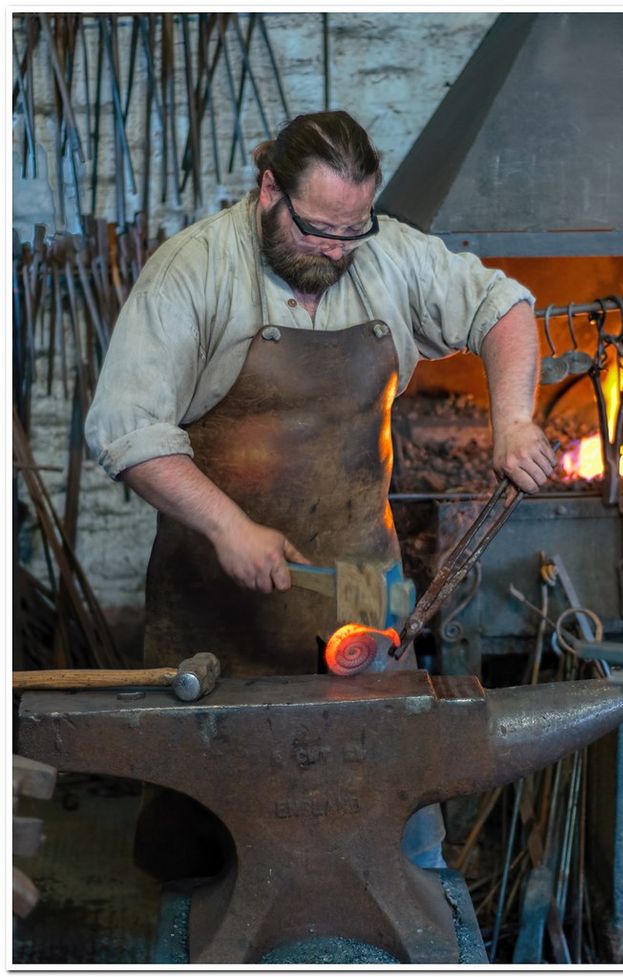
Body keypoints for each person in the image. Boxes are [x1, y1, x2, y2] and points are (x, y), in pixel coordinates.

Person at [85, 110, 554, 874]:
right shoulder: (193, 269)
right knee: (211, 858)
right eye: (315, 231)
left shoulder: (387, 255)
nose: (336, 251)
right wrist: (228, 526)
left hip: (360, 597)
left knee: (391, 835)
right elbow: (123, 429)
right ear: (269, 189)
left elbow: (502, 305)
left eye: (351, 233)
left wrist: (512, 421)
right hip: (217, 614)